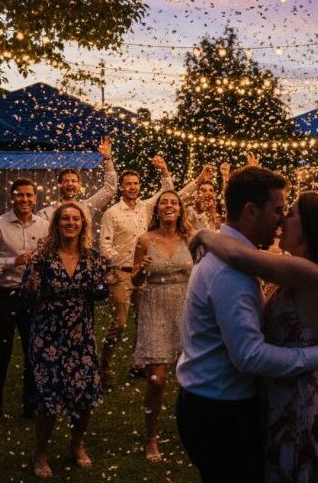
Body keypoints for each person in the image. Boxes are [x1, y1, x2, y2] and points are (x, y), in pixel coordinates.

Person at [191, 190, 318, 483]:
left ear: (312, 226)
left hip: (297, 399)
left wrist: (204, 234)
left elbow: (239, 254)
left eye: (290, 214)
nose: (281, 222)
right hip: (282, 389)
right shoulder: (296, 268)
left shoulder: (311, 272)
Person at [175, 166, 318, 483]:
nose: (280, 218)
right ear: (250, 211)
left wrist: (204, 234)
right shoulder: (231, 271)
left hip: (213, 402)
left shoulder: (238, 260)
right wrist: (315, 356)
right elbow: (249, 356)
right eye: (277, 210)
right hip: (221, 412)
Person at [20, 201, 109, 478]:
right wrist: (33, 275)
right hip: (48, 336)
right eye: (65, 219)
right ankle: (41, 451)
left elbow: (100, 294)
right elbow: (26, 294)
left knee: (84, 396)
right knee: (48, 399)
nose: (71, 223)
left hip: (80, 334)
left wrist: (108, 279)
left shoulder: (92, 258)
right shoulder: (42, 258)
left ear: (83, 225)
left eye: (76, 219)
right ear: (57, 223)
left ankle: (76, 444)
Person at [0, 179, 50, 436]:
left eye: (29, 195)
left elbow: (49, 256)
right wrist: (14, 261)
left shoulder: (43, 226)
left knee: (34, 352)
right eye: (19, 195)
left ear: (35, 198)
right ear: (13, 198)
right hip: (4, 295)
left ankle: (30, 404)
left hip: (32, 296)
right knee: (0, 355)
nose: (24, 199)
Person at [97, 157, 174, 389]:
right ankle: (103, 367)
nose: (132, 187)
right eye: (128, 183)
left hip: (144, 274)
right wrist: (122, 263)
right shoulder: (112, 212)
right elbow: (104, 246)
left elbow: (168, 193)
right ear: (121, 187)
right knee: (119, 324)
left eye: (136, 183)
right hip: (122, 274)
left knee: (144, 322)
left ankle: (137, 364)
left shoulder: (146, 207)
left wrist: (164, 170)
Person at [129, 190, 194, 462]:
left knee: (190, 380)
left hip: (186, 310)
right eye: (164, 202)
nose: (169, 206)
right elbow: (134, 281)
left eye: (174, 202)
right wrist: (142, 269)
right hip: (155, 307)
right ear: (157, 209)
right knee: (156, 381)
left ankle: (191, 431)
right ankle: (151, 436)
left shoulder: (190, 239)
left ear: (180, 209)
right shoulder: (145, 240)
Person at [37, 137, 117, 222]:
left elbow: (110, 189)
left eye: (73, 181)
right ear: (59, 185)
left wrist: (107, 159)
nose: (70, 184)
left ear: (79, 185)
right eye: (66, 181)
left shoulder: (86, 207)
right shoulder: (46, 214)